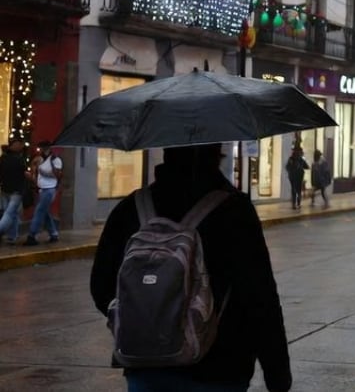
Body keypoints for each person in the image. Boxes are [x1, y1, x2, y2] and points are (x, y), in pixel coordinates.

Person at [90, 143, 292, 392]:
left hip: (145, 369)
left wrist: (149, 318)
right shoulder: (235, 212)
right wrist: (278, 376)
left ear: (165, 151)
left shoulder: (131, 208)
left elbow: (101, 287)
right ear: (217, 152)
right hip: (220, 369)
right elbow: (261, 300)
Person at [24, 141, 61, 245]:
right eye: (41, 148)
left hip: (50, 189)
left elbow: (57, 175)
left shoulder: (55, 160)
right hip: (41, 189)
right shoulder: (39, 159)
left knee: (39, 211)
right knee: (45, 212)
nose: (42, 150)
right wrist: (32, 173)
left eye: (44, 148)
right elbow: (35, 175)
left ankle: (32, 235)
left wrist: (44, 172)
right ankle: (54, 234)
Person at [0, 141, 25, 246]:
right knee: (10, 213)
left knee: (11, 213)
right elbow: (22, 174)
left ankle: (12, 236)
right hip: (16, 191)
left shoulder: (2, 159)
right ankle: (4, 232)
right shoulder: (20, 160)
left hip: (5, 189)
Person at [285, 146, 308, 210]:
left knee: (295, 190)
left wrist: (291, 170)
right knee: (297, 190)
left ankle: (295, 204)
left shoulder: (293, 159)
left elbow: (287, 167)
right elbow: (307, 166)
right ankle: (297, 204)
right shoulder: (299, 159)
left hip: (294, 177)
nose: (300, 152)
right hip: (296, 177)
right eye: (300, 151)